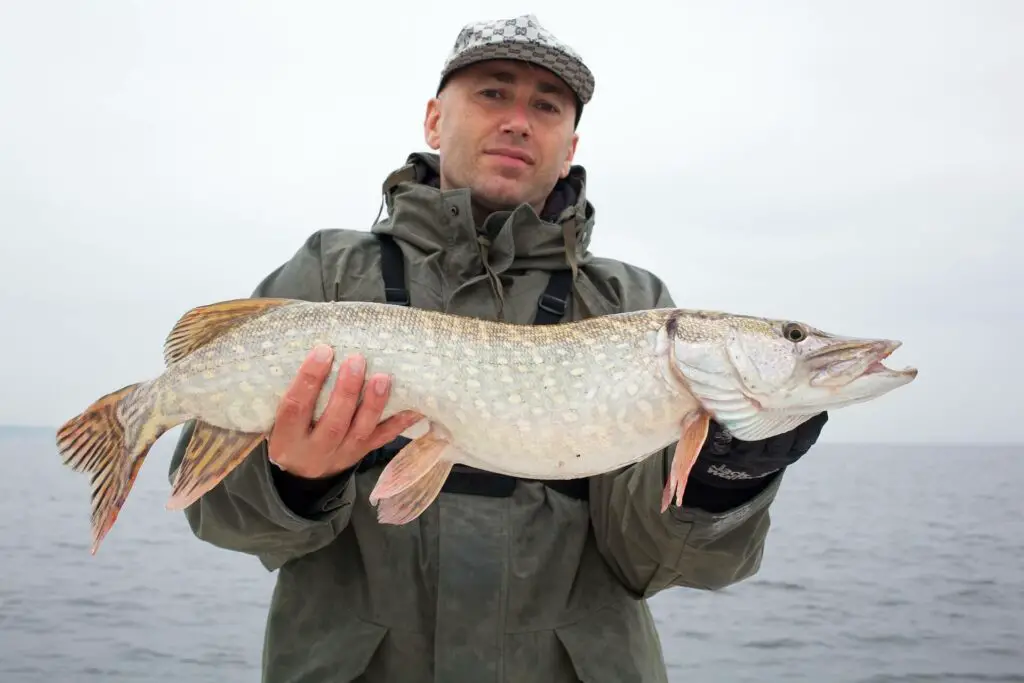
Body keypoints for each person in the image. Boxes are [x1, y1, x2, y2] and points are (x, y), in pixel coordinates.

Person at [169, 13, 828, 683]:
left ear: (570, 145)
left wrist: (725, 478)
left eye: (546, 106)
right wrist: (295, 480)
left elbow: (658, 561)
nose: (519, 120)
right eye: (493, 93)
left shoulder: (632, 303)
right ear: (433, 120)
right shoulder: (329, 272)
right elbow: (220, 514)